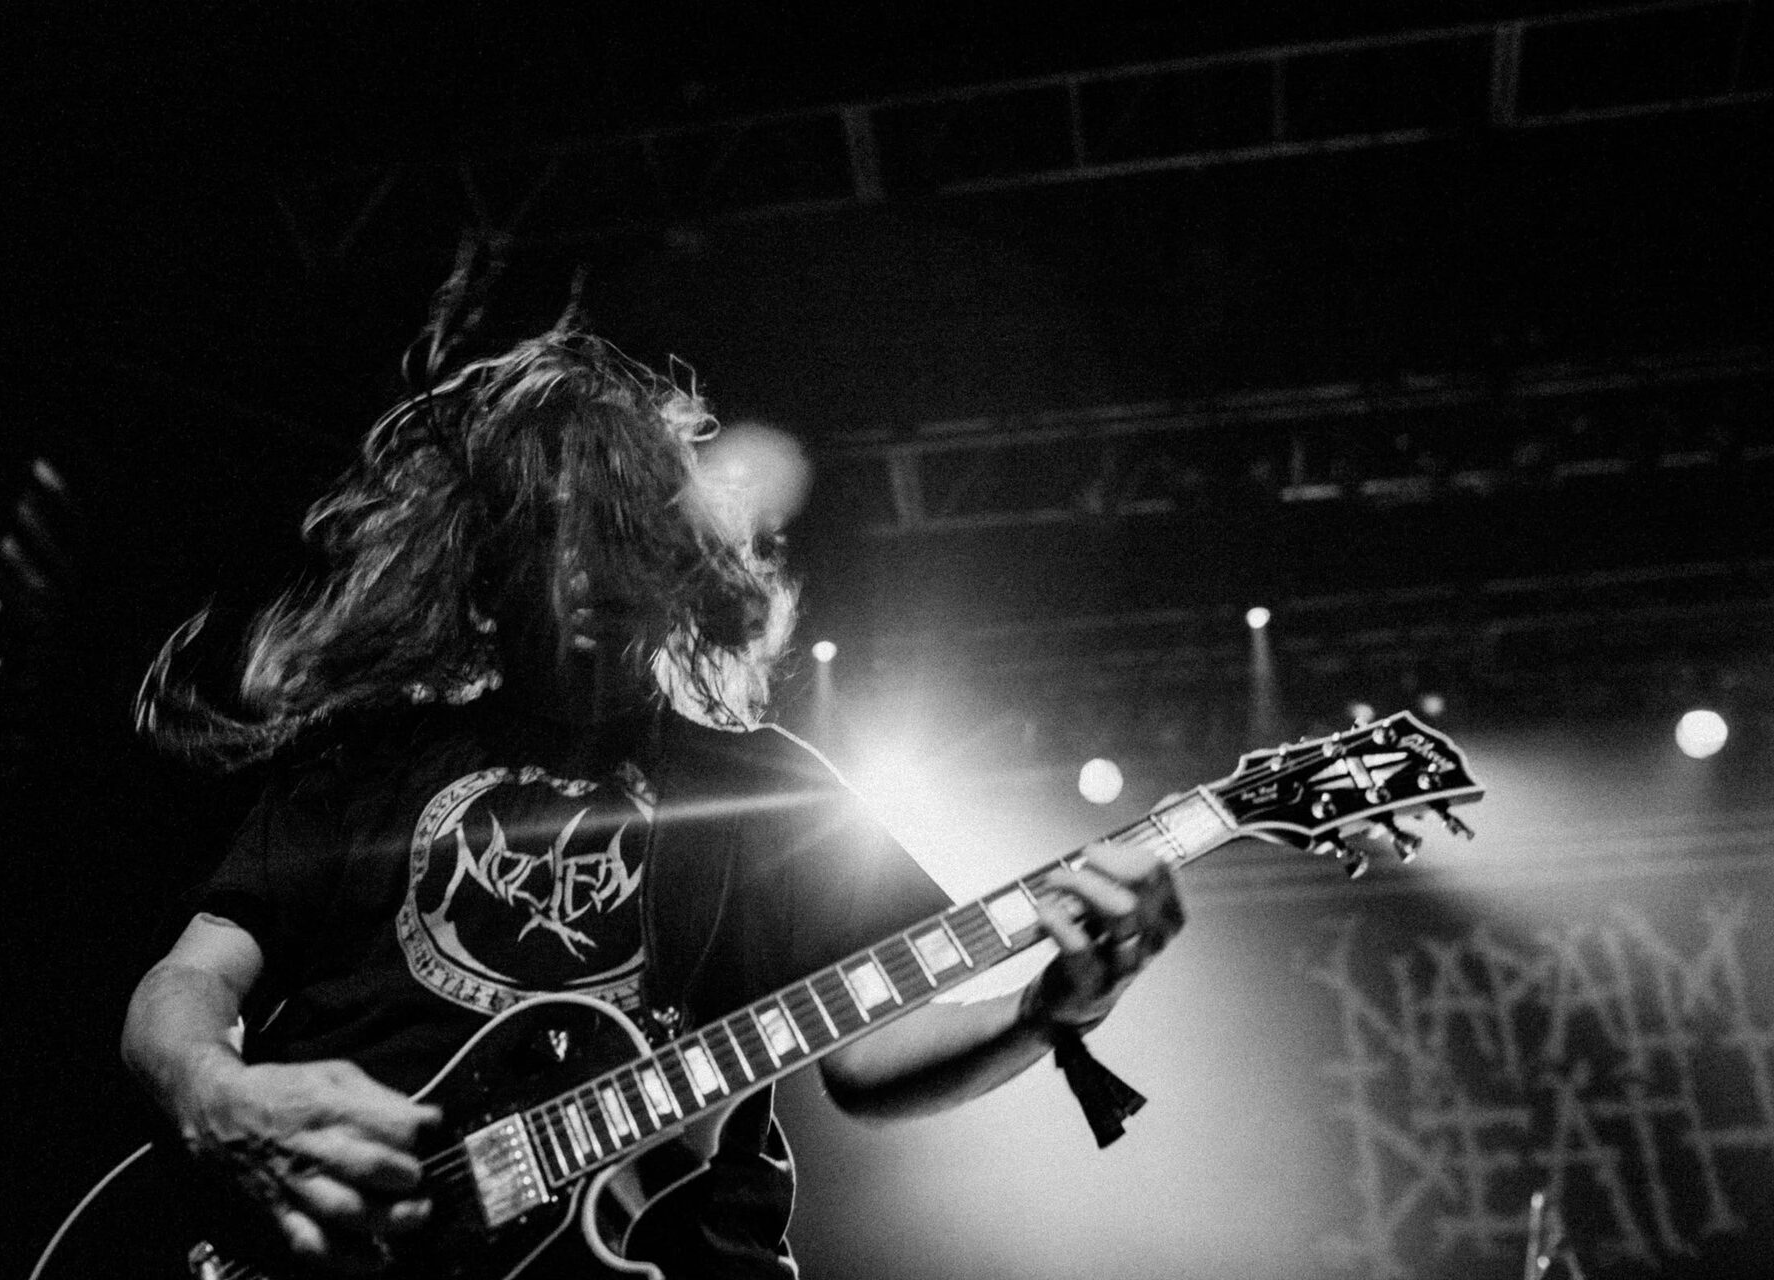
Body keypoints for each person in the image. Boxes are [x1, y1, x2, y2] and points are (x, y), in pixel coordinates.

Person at [121, 315, 1184, 1278]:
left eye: (623, 530)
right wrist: (214, 1093)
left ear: (675, 557)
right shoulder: (367, 758)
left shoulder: (765, 787)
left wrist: (1049, 1010)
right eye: (555, 533)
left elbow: (868, 1056)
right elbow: (192, 976)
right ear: (489, 564)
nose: (589, 568)